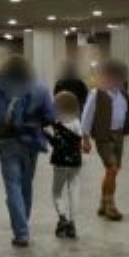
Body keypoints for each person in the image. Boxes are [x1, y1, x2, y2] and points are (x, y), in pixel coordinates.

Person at [0, 55, 55, 247]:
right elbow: (51, 116)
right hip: (32, 142)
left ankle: (21, 233)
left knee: (12, 186)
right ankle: (24, 222)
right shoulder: (39, 87)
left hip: (6, 142)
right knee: (26, 185)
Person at [80, 59, 129, 221]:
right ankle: (110, 205)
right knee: (112, 168)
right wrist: (85, 139)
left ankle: (103, 202)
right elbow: (86, 117)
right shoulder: (97, 94)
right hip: (103, 137)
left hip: (118, 136)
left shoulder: (122, 94)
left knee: (112, 171)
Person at [45, 90, 84, 239]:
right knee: (74, 191)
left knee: (56, 192)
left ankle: (62, 218)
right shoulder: (77, 122)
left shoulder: (54, 123)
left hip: (60, 162)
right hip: (75, 162)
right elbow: (79, 140)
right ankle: (73, 224)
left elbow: (53, 141)